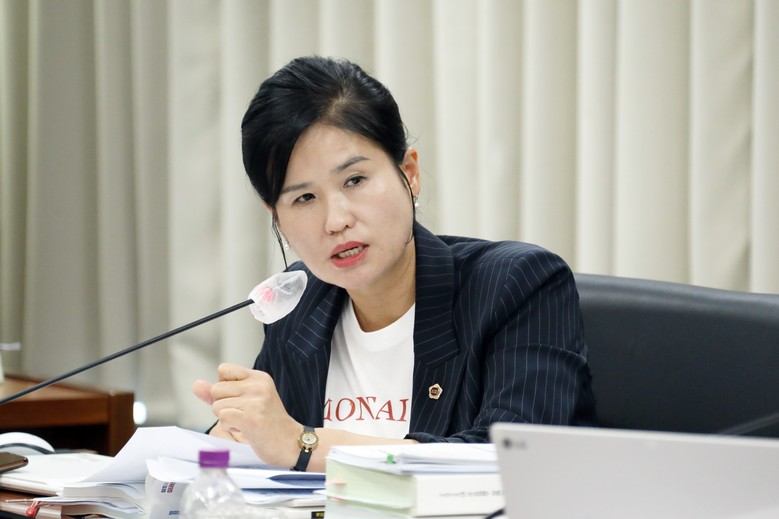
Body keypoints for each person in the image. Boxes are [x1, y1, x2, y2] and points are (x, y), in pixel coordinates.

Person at [192, 56, 597, 473]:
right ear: (276, 216)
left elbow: (511, 462)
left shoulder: (517, 285)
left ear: (410, 173)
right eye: (304, 198)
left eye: (355, 180)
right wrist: (235, 439)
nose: (336, 221)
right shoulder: (297, 305)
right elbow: (270, 450)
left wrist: (304, 444)